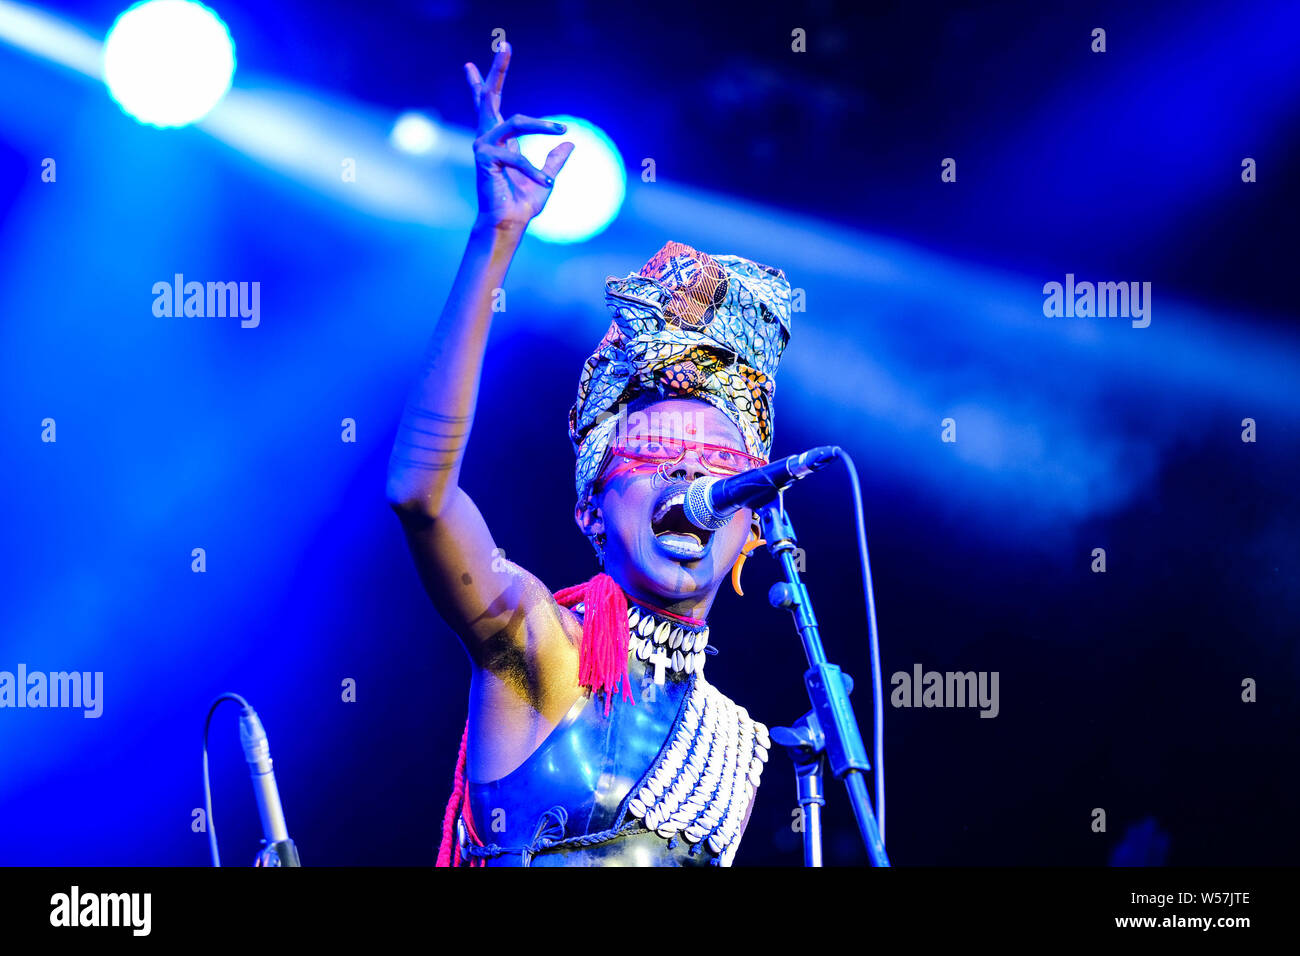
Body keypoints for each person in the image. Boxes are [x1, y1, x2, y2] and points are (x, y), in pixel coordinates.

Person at [386, 40, 792, 866]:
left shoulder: (737, 744)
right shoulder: (539, 645)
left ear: (752, 528)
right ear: (591, 511)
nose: (690, 480)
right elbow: (421, 497)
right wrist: (494, 240)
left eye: (719, 467)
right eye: (657, 458)